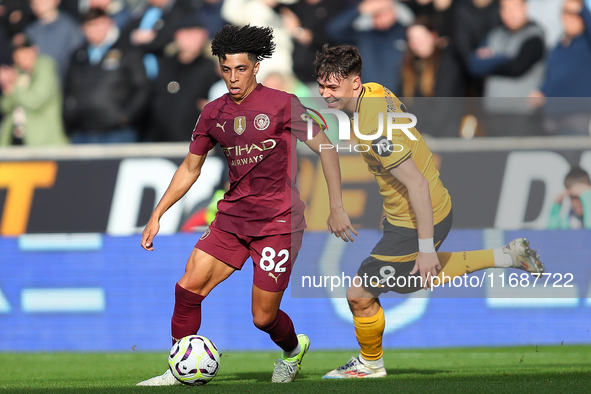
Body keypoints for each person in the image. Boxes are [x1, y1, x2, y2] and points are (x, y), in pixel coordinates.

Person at [136, 25, 357, 386]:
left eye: (241, 69)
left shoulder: (283, 103)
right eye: (226, 70)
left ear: (255, 66)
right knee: (187, 289)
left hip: (279, 222)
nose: (233, 78)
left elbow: (327, 148)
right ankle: (179, 369)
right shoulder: (212, 113)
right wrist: (157, 214)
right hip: (232, 219)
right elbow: (191, 167)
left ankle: (292, 349)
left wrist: (336, 206)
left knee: (263, 318)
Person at [313, 44, 545, 379]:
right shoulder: (374, 92)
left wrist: (424, 247)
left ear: (355, 83)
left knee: (360, 294)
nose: (325, 94)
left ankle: (370, 364)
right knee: (409, 280)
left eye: (332, 87)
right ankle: (508, 256)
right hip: (418, 210)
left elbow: (416, 184)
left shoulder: (373, 126)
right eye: (321, 86)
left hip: (419, 215)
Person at [63, 8, 150, 143]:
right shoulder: (77, 57)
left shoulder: (127, 51)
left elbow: (142, 88)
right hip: (82, 132)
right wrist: (71, 116)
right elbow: (68, 90)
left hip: (117, 132)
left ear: (110, 24)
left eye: (99, 24)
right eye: (91, 25)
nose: (96, 29)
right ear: (83, 29)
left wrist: (126, 116)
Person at [467, 0, 545, 136]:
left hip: (521, 115)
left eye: (515, 8)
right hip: (493, 113)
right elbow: (474, 65)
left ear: (525, 8)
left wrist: (491, 60)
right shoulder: (495, 34)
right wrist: (505, 58)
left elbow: (517, 67)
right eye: (505, 9)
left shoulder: (534, 36)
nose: (510, 14)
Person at [148, 14, 218, 142]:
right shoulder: (164, 64)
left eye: (194, 33)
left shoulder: (211, 68)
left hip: (194, 143)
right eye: (185, 32)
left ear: (204, 35)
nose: (189, 37)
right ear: (176, 35)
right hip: (159, 139)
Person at [326, 0, 408, 94]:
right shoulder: (363, 36)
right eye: (376, 13)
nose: (379, 16)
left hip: (398, 100)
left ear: (394, 12)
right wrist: (359, 9)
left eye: (383, 12)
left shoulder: (406, 33)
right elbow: (333, 31)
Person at [0, 35, 67, 145]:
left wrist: (13, 88)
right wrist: (7, 86)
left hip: (43, 141)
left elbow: (35, 101)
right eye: (18, 53)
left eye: (25, 52)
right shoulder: (18, 72)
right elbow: (5, 106)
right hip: (16, 138)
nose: (22, 57)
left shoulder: (45, 67)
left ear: (34, 50)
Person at [24, 0, 84, 84]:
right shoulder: (30, 31)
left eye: (43, 1)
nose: (38, 5)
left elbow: (78, 62)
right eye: (34, 3)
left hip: (64, 86)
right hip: (39, 88)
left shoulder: (70, 28)